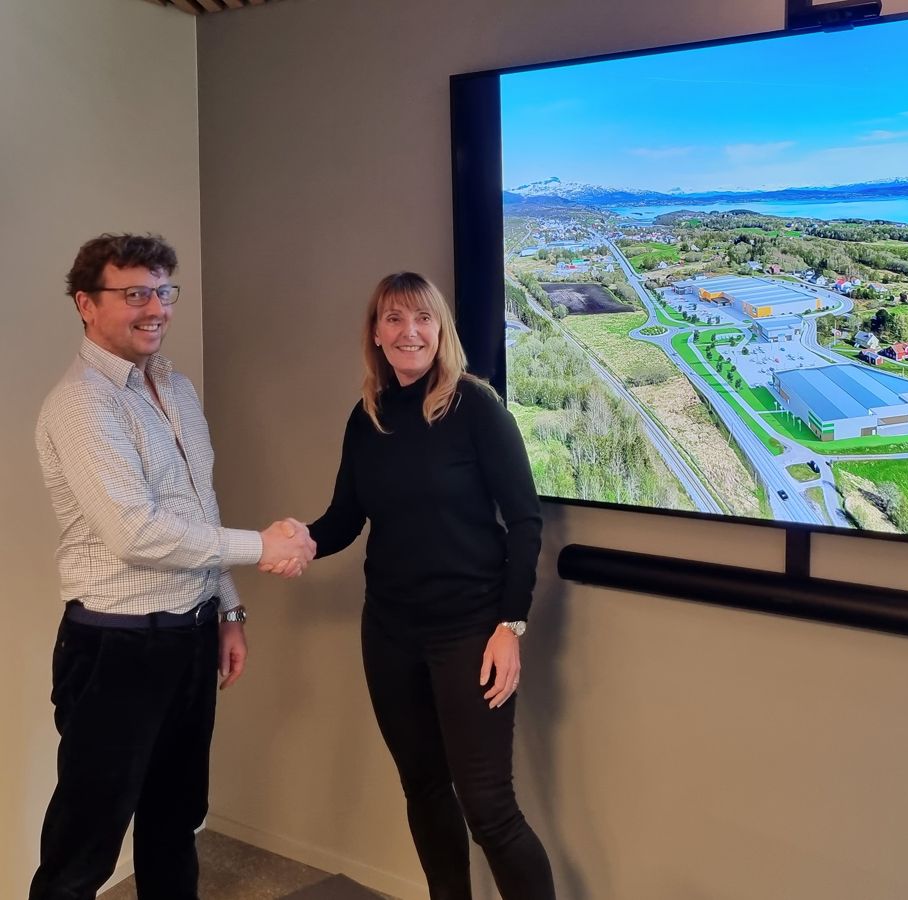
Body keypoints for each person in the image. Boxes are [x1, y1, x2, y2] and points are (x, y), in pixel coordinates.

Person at [30, 233, 316, 900]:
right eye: (134, 294)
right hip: (115, 648)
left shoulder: (176, 389)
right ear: (85, 304)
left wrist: (228, 607)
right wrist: (264, 546)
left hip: (188, 638)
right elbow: (135, 533)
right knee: (83, 849)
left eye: (164, 291)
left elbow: (196, 509)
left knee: (175, 823)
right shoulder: (81, 404)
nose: (155, 307)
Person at [302, 272, 555, 899]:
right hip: (389, 633)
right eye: (393, 319)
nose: (408, 331)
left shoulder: (477, 410)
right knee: (423, 789)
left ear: (440, 331)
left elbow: (524, 521)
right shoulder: (368, 419)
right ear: (376, 335)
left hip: (469, 633)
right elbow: (343, 519)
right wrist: (293, 540)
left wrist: (509, 625)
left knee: (490, 811)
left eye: (422, 318)